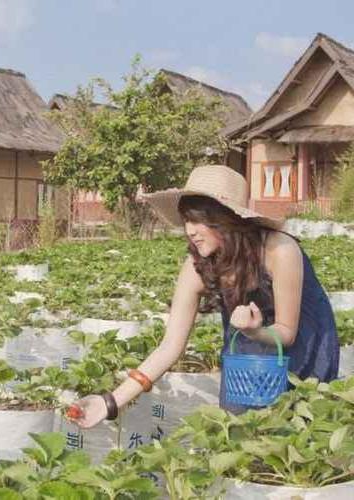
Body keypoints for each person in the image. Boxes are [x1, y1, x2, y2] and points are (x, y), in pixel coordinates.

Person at [70, 165, 340, 427]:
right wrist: (111, 402)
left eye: (199, 220)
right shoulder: (197, 266)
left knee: (299, 428)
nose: (190, 231)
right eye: (187, 220)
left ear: (228, 219)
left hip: (301, 346)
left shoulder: (279, 250)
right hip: (245, 348)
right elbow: (169, 346)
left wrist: (257, 332)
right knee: (240, 428)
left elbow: (286, 332)